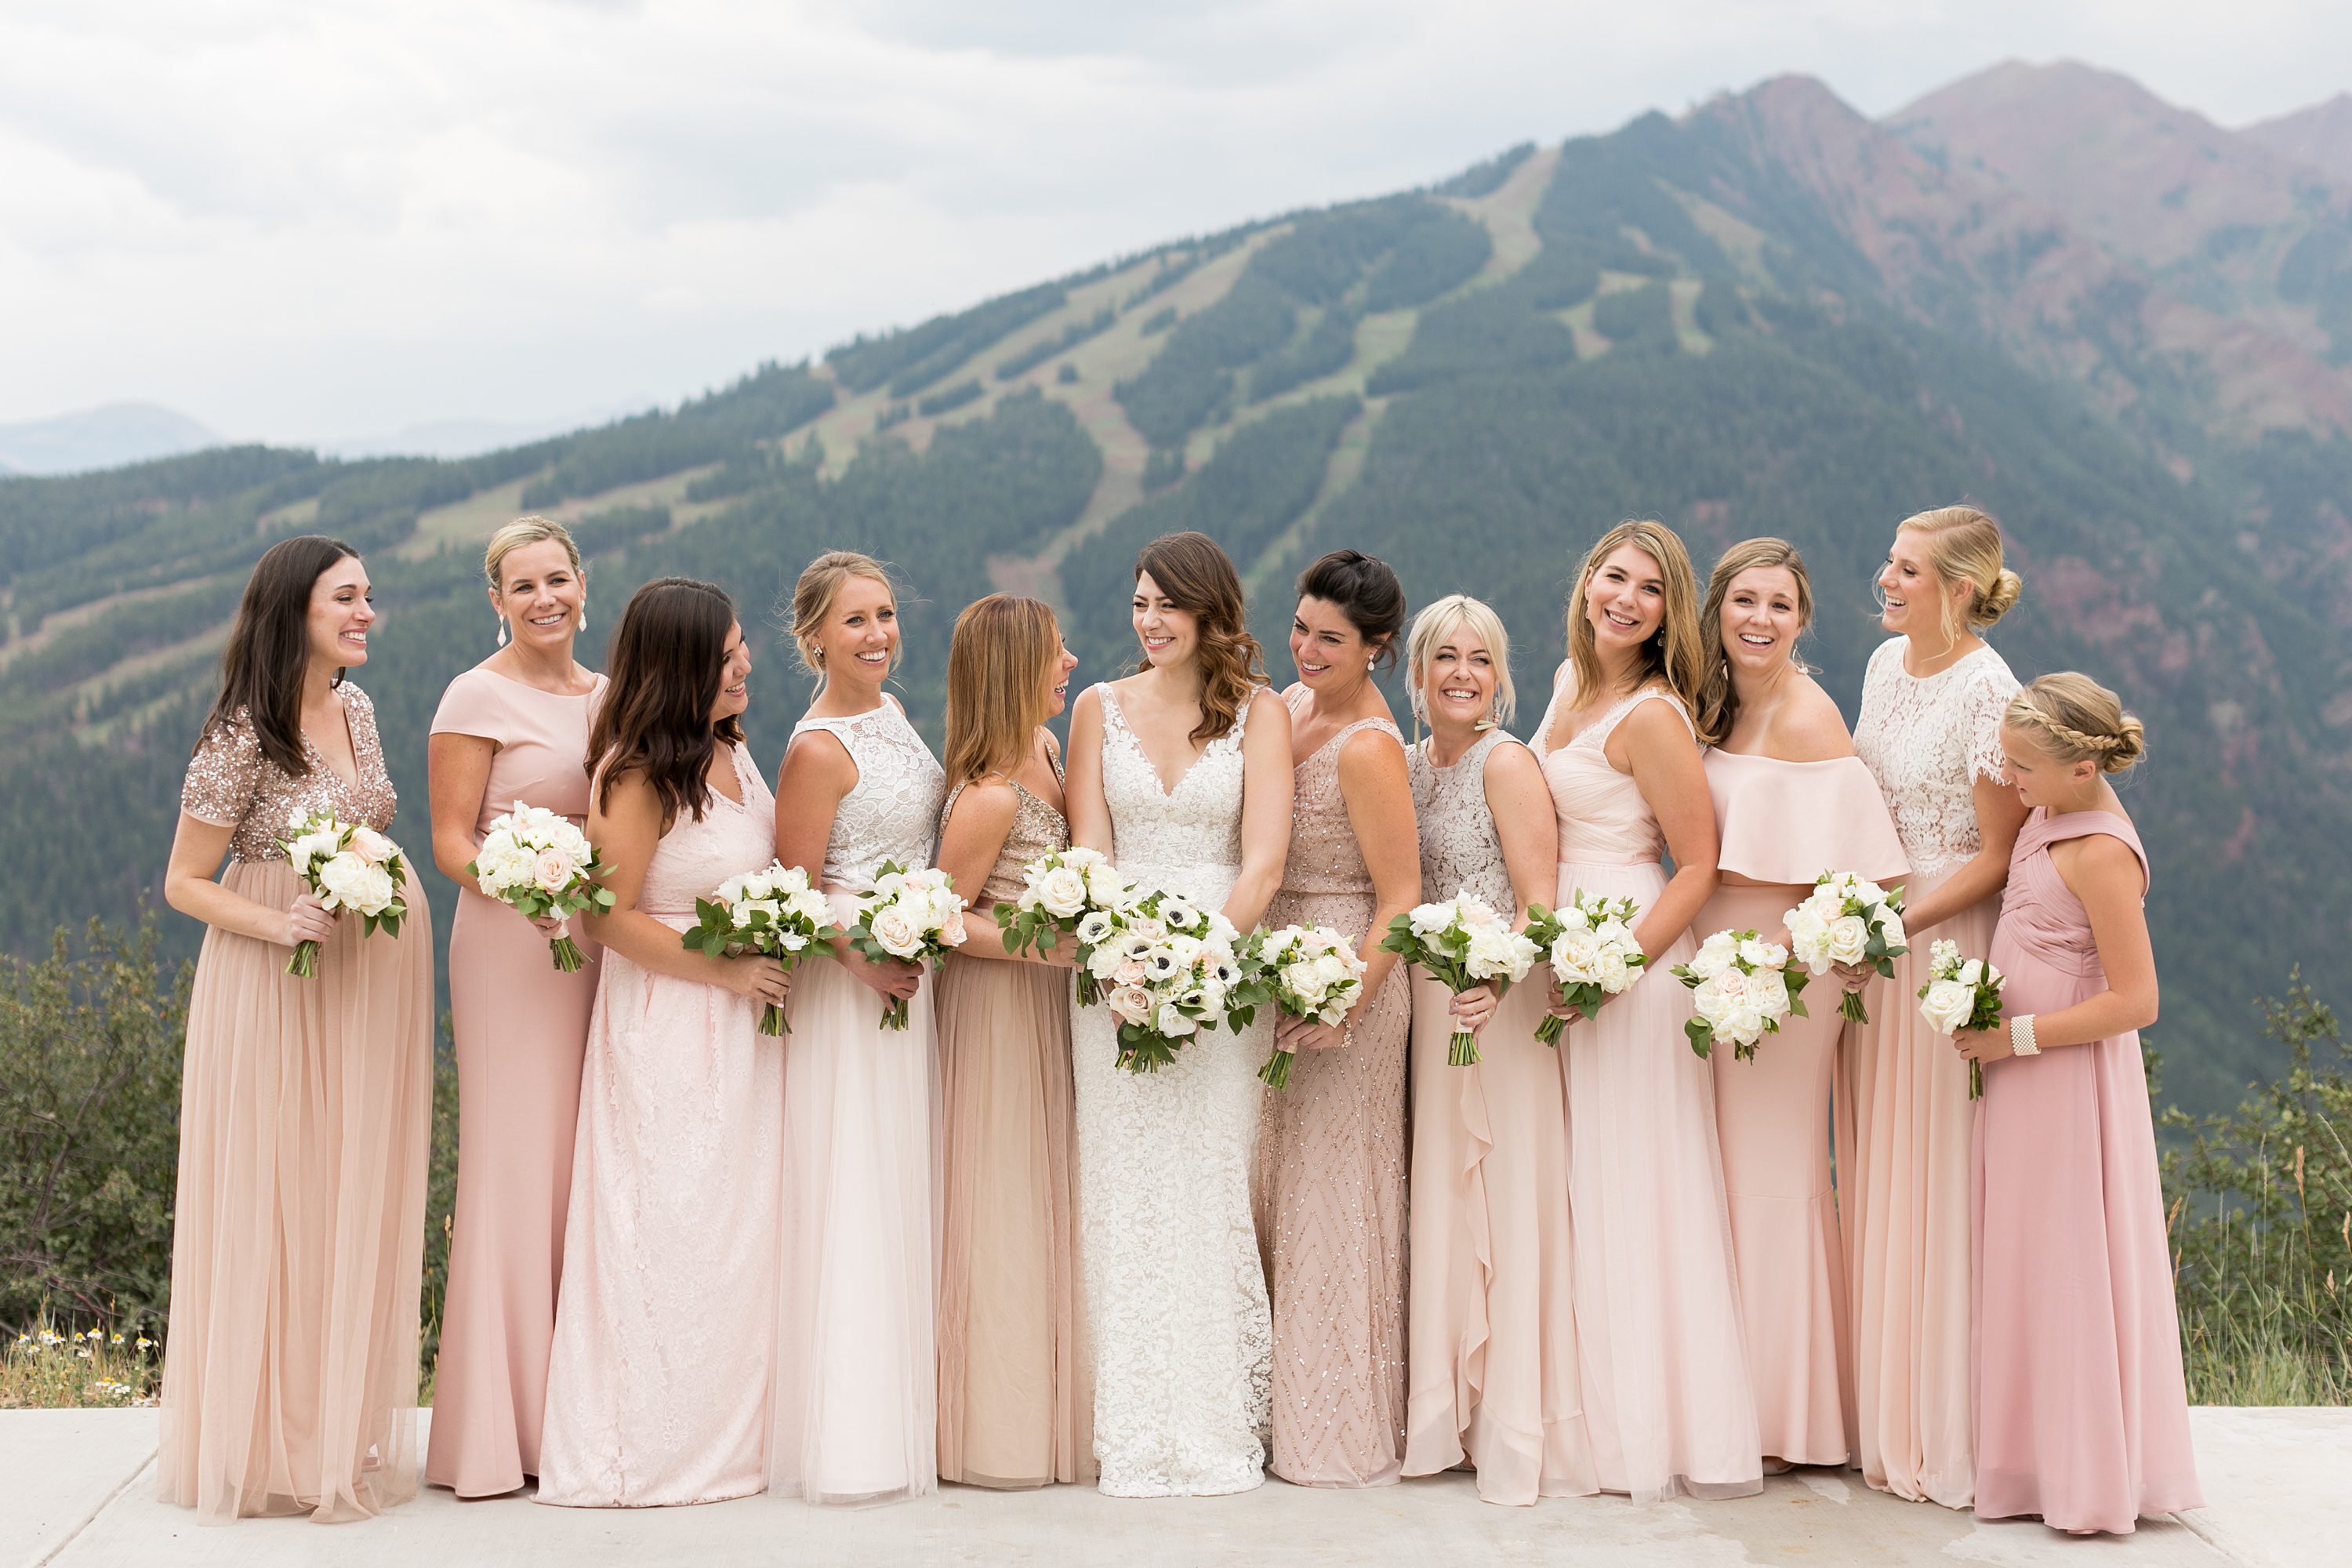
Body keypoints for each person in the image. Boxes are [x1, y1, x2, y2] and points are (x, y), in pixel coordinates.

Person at [158, 534, 434, 1523]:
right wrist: (280, 925)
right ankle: (271, 1439)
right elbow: (183, 881)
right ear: (294, 611)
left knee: (351, 1185)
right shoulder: (242, 730)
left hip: (365, 978)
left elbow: (370, 821)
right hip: (278, 975)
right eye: (345, 598)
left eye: (368, 595)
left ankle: (334, 1426)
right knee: (283, 1190)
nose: (367, 613)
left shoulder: (358, 707)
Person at [535, 579, 789, 1508]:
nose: (744, 664)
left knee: (736, 1230)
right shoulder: (635, 773)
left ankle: (736, 1436)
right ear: (678, 667)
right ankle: (648, 1446)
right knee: (671, 1222)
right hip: (670, 1020)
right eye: (724, 655)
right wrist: (723, 970)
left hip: (743, 1026)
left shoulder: (732, 751)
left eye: (740, 646)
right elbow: (604, 918)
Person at [1530, 519, 1761, 1503]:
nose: (1627, 598)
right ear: (1588, 580)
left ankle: (1649, 1432)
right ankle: (1582, 1411)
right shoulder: (1568, 683)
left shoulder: (1654, 715)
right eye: (1615, 577)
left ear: (1670, 613)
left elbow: (1696, 862)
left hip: (1629, 947)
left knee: (1635, 1187)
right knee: (1577, 1181)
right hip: (1561, 942)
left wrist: (1616, 965)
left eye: (1651, 588)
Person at [1063, 531, 1292, 1497]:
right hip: (1111, 978)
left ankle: (1215, 1415)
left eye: (1168, 603)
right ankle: (1129, 1416)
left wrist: (1199, 963)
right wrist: (1123, 961)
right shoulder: (1096, 706)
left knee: (1209, 1175)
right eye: (1139, 602)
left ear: (1209, 610)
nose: (1150, 620)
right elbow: (1091, 850)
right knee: (1123, 1184)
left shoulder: (1262, 712)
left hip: (1220, 976)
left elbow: (1264, 864)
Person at [1958, 674, 2202, 1535]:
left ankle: (2085, 1475)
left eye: (2023, 766)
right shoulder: (2049, 809)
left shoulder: (2101, 852)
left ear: (2085, 768)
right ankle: (2026, 1458)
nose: (2010, 778)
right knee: (2026, 1255)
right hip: (2021, 1071)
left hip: (2065, 1080)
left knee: (2068, 1262)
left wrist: (2014, 1036)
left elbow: (2138, 1000)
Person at [1690, 539, 1904, 1472]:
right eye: (1745, 600)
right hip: (1703, 956)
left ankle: (1787, 1419)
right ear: (1718, 610)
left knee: (1772, 1175)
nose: (1761, 619)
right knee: (1710, 1175)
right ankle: (1716, 1396)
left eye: (1780, 604)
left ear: (1802, 619)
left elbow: (1869, 879)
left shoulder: (1813, 717)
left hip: (1782, 974)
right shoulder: (1709, 704)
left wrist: (1787, 958)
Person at [1842, 506, 2026, 1508]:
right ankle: (1887, 1408)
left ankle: (1949, 1424)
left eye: (1906, 568)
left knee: (1940, 1171)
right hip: (1880, 933)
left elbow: (1997, 853)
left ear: (1959, 588)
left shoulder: (1991, 691)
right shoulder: (1882, 666)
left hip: (1947, 940)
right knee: (1886, 1161)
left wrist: (1899, 923)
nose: (1886, 578)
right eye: (1889, 560)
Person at [1398, 594, 1599, 1506]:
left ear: (1500, 674)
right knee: (1444, 1196)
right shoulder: (1410, 766)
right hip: (1428, 1006)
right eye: (1446, 656)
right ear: (1418, 670)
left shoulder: (1506, 761)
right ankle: (1446, 1412)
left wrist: (1499, 979)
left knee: (1505, 1198)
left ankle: (1512, 1418)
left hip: (1497, 1009)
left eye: (1481, 659)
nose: (1463, 674)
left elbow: (1539, 902)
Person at [424, 517, 608, 1498]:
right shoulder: (475, 695)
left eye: (558, 579)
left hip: (599, 941)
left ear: (584, 583)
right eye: (524, 585)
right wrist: (526, 885)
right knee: (514, 1160)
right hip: (509, 941)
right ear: (496, 600)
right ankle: (499, 1429)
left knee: (589, 1157)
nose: (546, 599)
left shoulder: (611, 694)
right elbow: (452, 839)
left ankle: (580, 1407)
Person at [767, 551, 946, 1505]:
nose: (878, 634)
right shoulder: (816, 748)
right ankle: (852, 1441)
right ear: (814, 639)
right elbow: (795, 890)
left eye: (885, 614)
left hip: (906, 961)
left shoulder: (892, 712)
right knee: (855, 1179)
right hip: (851, 981)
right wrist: (862, 955)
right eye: (855, 621)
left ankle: (901, 1412)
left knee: (897, 1176)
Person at [1254, 550, 1419, 1488]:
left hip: (1349, 977)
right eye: (1301, 627)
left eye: (1331, 639)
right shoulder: (1292, 704)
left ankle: (1335, 1424)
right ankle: (1270, 1406)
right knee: (1278, 1181)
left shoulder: (1367, 745)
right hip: (1279, 972)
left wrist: (1343, 1002)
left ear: (1376, 647)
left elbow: (1401, 896)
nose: (1308, 649)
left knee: (1332, 1193)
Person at [932, 594, 1092, 1488]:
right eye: (1055, 651)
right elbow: (944, 919)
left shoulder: (1047, 747)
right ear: (1014, 666)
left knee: (1048, 1194)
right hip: (999, 1006)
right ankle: (998, 1433)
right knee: (1003, 1200)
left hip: (1048, 1001)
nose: (1070, 662)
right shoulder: (990, 795)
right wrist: (1048, 948)